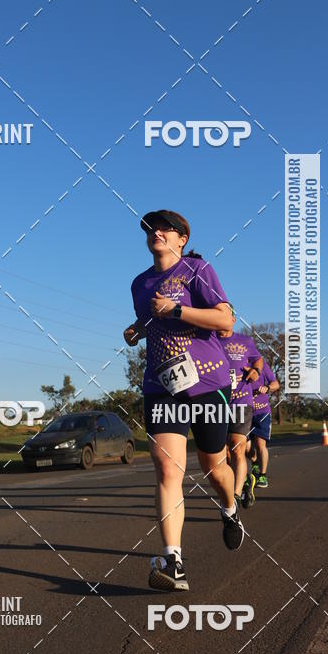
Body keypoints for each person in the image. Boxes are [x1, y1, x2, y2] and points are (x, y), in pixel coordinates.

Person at [123, 209, 244, 593]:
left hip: (207, 383)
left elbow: (225, 320)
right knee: (167, 469)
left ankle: (230, 508)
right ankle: (173, 562)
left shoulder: (197, 270)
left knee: (214, 468)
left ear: (182, 239)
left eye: (165, 228)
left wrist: (177, 309)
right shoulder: (140, 283)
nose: (156, 232)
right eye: (151, 228)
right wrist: (136, 330)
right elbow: (152, 321)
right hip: (162, 386)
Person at [216, 308, 263, 510]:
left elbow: (258, 359)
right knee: (224, 453)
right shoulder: (208, 340)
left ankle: (234, 497)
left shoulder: (245, 341)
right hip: (217, 402)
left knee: (237, 446)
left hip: (241, 400)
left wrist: (256, 370)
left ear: (233, 319)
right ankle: (244, 481)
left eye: (223, 315)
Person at [248, 362, 279, 489]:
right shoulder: (237, 364)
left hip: (262, 412)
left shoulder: (262, 366)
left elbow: (276, 384)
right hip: (244, 412)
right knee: (245, 447)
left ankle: (262, 475)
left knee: (260, 443)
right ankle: (255, 462)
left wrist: (267, 387)